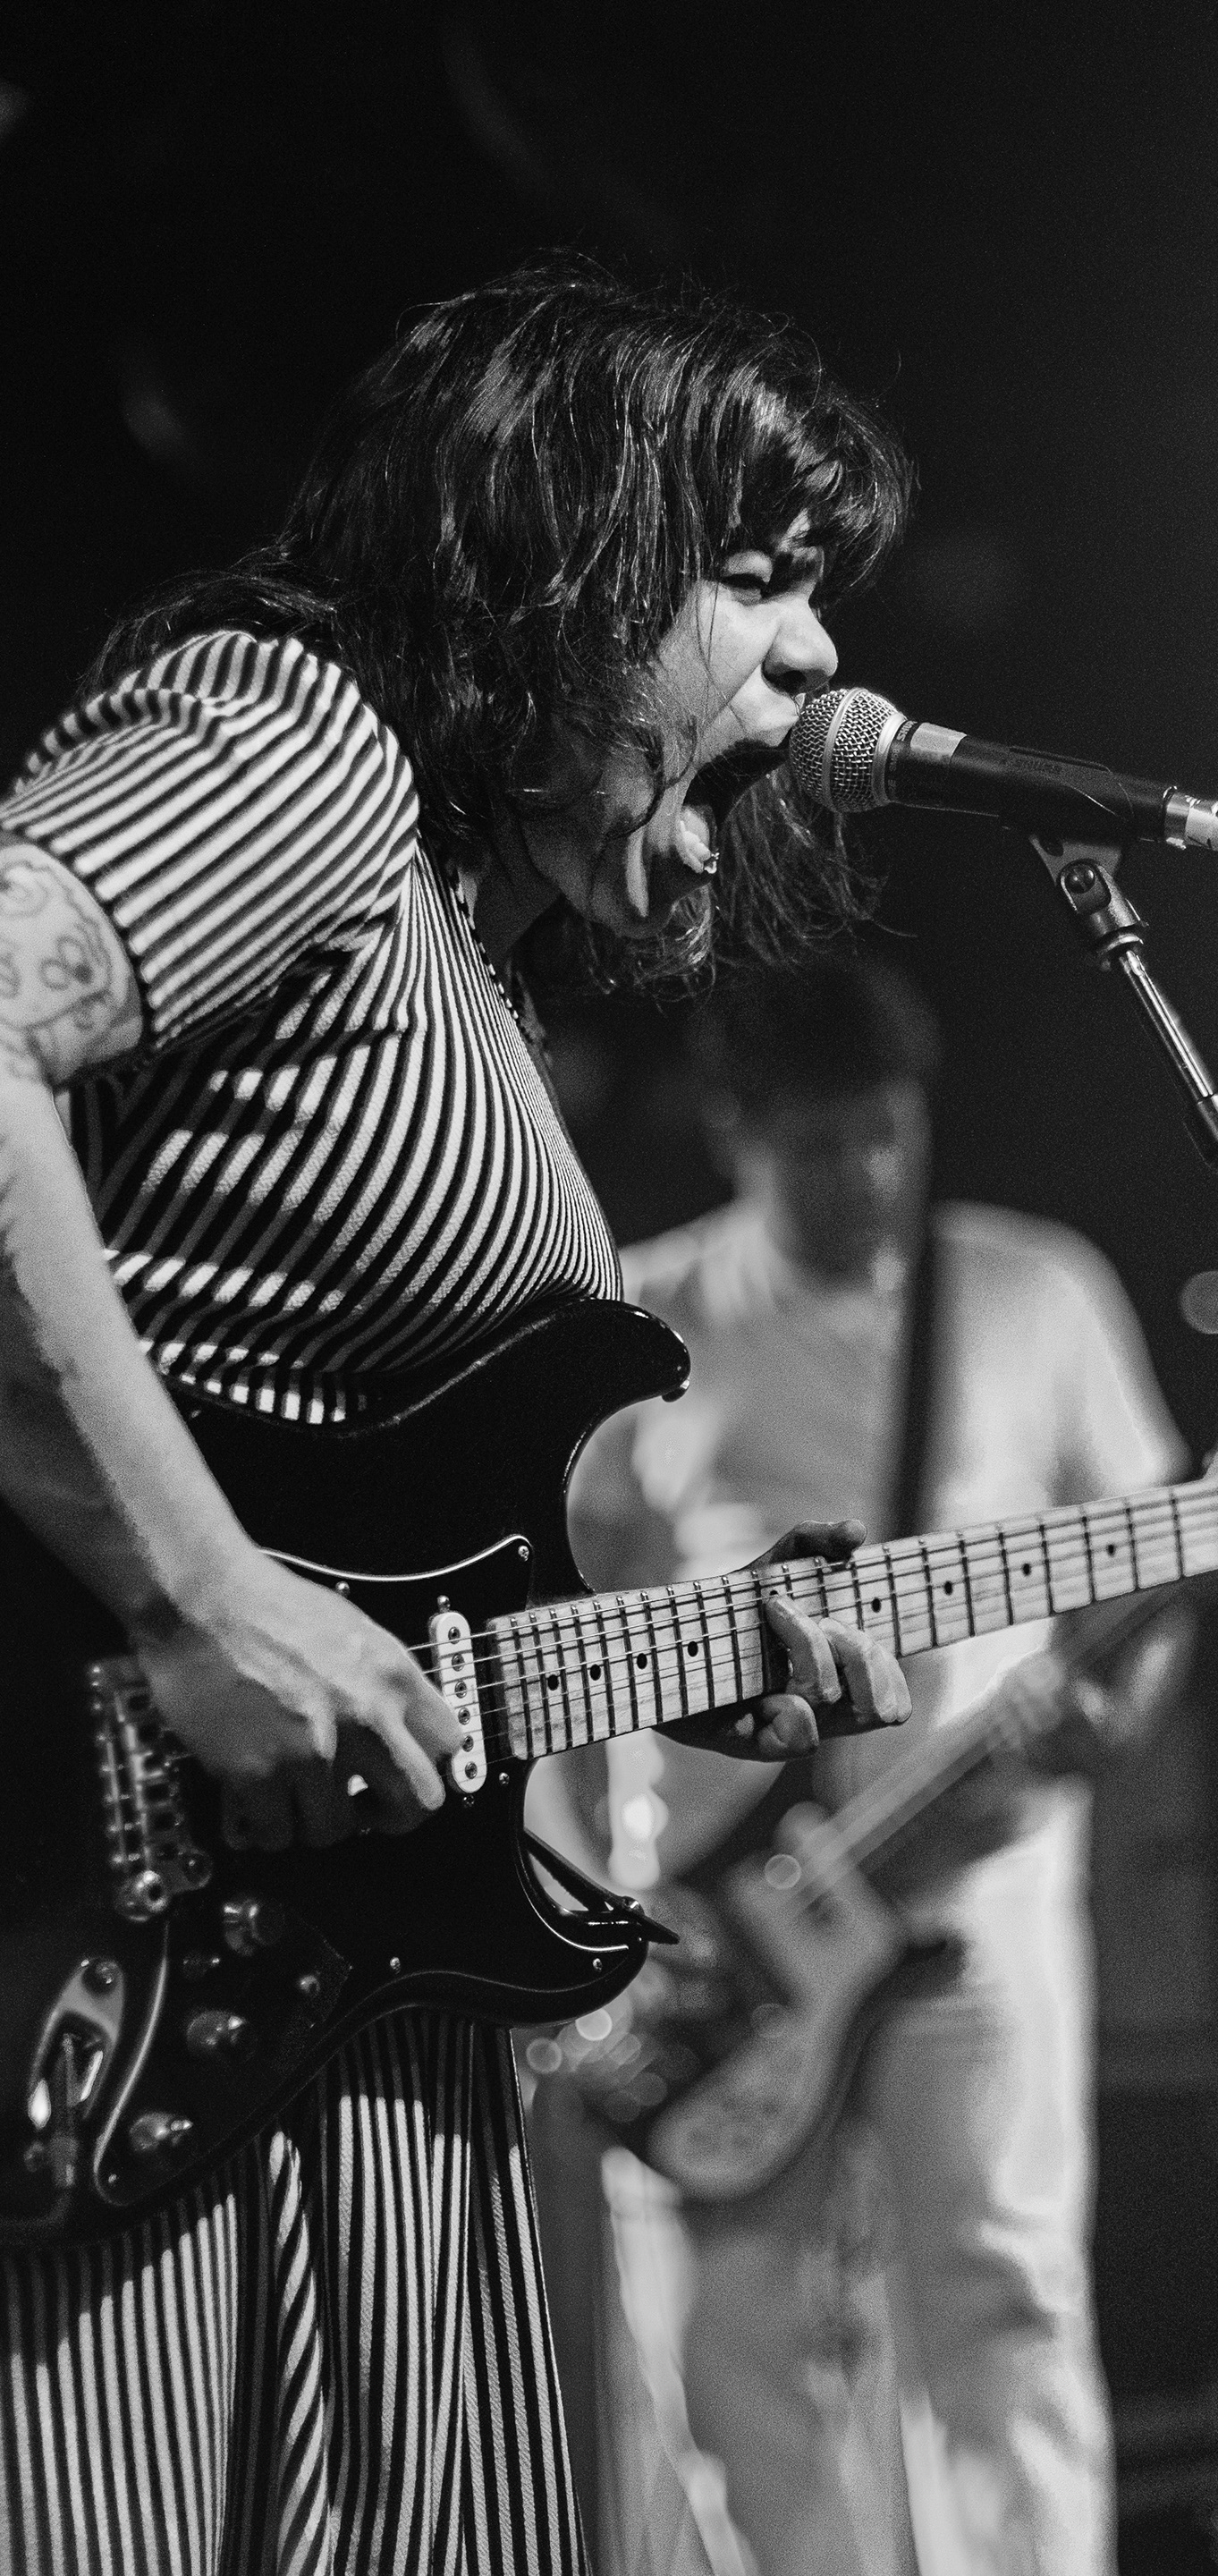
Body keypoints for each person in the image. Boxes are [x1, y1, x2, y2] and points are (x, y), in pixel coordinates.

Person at [0, 260, 917, 2576]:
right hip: (113, 1961)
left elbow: (362, 1518)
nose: (818, 655)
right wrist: (199, 1598)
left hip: (341, 2012)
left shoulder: (460, 955)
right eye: (754, 573)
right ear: (559, 566)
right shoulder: (297, 736)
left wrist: (665, 1651)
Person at [533, 952, 1193, 2576]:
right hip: (718, 1923)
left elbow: (1156, 1559)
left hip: (979, 1886)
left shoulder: (1038, 1291)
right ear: (738, 1133)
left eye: (889, 1131)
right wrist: (591, 1911)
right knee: (728, 2346)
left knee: (1006, 2298)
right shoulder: (644, 1324)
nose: (866, 1174)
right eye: (820, 1143)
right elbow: (555, 1638)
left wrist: (1117, 1714)